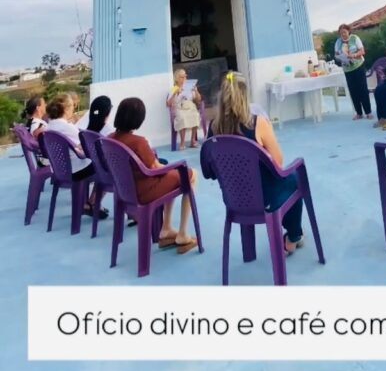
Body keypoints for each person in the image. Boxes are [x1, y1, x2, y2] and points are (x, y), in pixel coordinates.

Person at [208, 72, 304, 255]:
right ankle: (292, 238)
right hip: (265, 197)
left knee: (286, 184)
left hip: (234, 199)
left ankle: (290, 237)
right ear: (245, 96)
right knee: (294, 178)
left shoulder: (213, 128)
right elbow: (278, 161)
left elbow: (210, 172)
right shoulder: (257, 123)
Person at [110, 97, 199, 253]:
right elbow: (155, 167)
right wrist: (173, 167)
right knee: (191, 175)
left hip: (125, 191)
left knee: (173, 176)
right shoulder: (138, 142)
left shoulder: (109, 139)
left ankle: (166, 229)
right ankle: (183, 233)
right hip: (144, 191)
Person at [46, 94, 108, 219]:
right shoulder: (66, 127)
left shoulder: (50, 126)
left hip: (61, 170)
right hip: (76, 169)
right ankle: (93, 202)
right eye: (72, 106)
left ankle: (90, 203)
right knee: (108, 168)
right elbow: (84, 144)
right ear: (66, 109)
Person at [334, 24, 372, 120]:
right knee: (353, 90)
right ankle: (359, 113)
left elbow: (362, 51)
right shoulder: (338, 42)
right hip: (347, 69)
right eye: (341, 33)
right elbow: (336, 55)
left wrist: (354, 55)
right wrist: (340, 58)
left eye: (345, 32)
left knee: (363, 89)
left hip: (358, 66)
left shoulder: (355, 38)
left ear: (348, 31)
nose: (343, 34)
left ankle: (368, 112)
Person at [167, 69, 202, 149]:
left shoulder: (190, 86)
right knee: (182, 117)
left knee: (195, 115)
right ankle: (182, 143)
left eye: (185, 77)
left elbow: (199, 100)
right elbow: (168, 103)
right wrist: (175, 93)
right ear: (177, 78)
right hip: (179, 108)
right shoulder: (174, 88)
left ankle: (193, 141)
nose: (184, 79)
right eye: (181, 77)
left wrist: (196, 91)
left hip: (190, 106)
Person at [22, 96, 48, 166]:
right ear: (38, 108)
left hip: (42, 159)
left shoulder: (31, 122)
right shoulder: (38, 125)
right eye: (44, 104)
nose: (46, 105)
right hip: (47, 160)